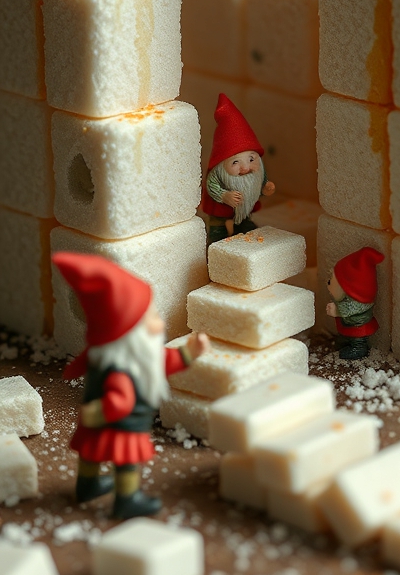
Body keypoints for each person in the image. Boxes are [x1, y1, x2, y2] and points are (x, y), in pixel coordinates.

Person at [53, 252, 210, 519]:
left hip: (101, 423)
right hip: (121, 427)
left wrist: (188, 353)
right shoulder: (122, 370)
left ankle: (87, 485)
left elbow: (163, 360)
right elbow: (120, 400)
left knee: (92, 451)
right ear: (129, 332)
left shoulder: (135, 359)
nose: (159, 320)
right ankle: (127, 499)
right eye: (152, 315)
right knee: (126, 463)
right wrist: (102, 412)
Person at [202, 93, 276, 245]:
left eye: (251, 159)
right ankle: (217, 235)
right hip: (220, 208)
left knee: (245, 222)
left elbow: (259, 182)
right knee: (218, 230)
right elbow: (212, 186)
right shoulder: (216, 175)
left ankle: (242, 224)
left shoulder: (256, 170)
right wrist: (224, 196)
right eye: (235, 162)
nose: (245, 168)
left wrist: (265, 186)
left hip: (243, 208)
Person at [325, 246, 384, 360]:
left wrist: (337, 310)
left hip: (358, 326)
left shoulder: (359, 302)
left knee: (357, 340)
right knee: (344, 336)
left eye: (332, 281)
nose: (328, 283)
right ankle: (345, 341)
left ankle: (358, 349)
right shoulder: (344, 298)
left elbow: (349, 309)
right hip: (347, 326)